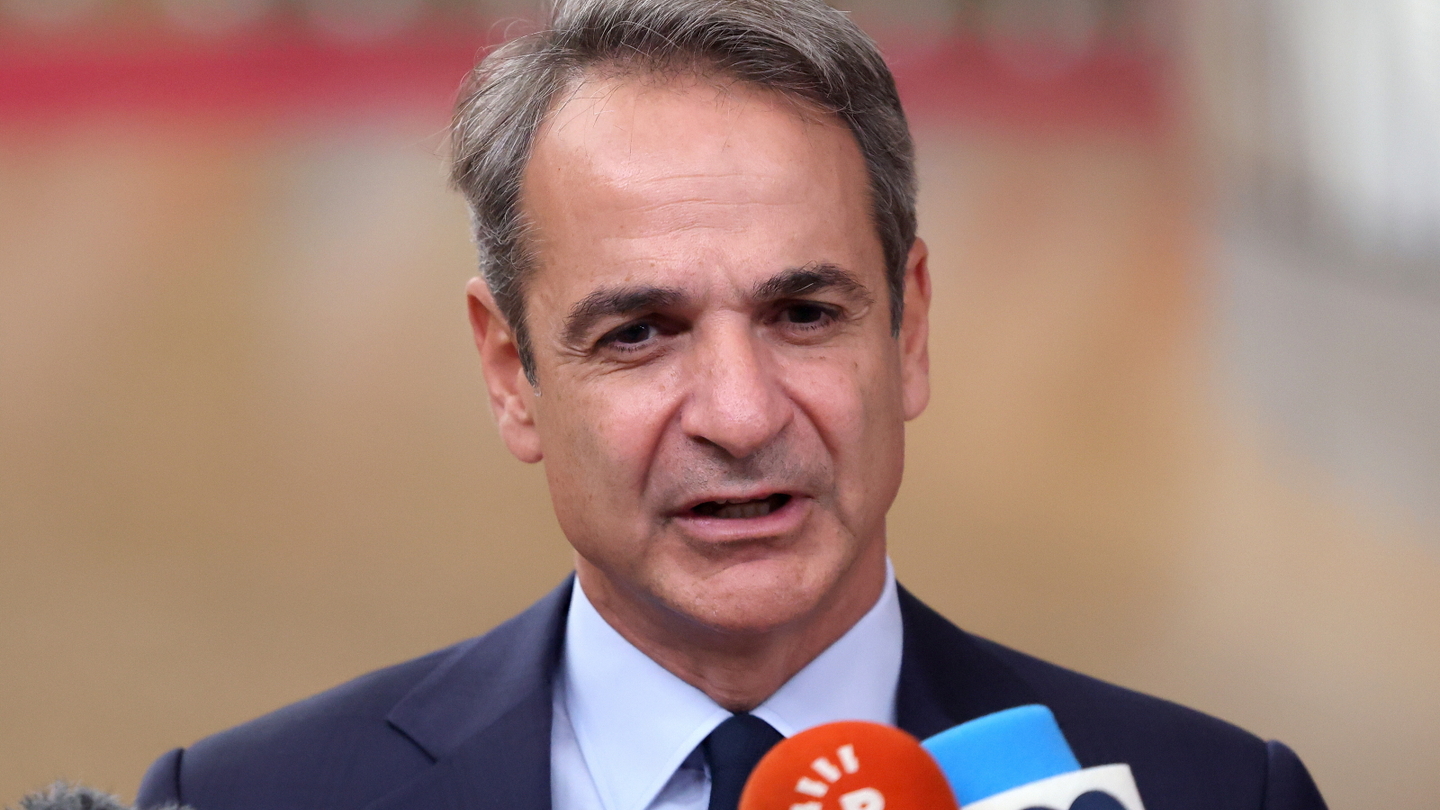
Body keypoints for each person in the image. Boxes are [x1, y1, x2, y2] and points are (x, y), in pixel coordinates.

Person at [136, 1, 1328, 809]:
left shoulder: (1217, 794)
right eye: (640, 333)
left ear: (909, 330)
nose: (742, 415)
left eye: (804, 314)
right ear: (510, 373)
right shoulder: (245, 800)